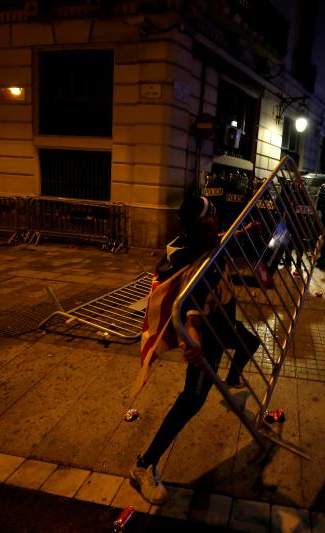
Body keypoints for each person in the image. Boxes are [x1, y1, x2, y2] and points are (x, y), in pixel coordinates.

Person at [130, 195, 260, 504]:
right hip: (209, 335)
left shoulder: (209, 242)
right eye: (205, 223)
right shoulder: (190, 258)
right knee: (191, 401)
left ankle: (232, 379)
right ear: (191, 227)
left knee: (250, 342)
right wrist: (193, 339)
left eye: (214, 219)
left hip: (225, 325)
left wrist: (244, 231)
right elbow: (186, 305)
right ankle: (143, 466)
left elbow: (224, 238)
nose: (213, 226)